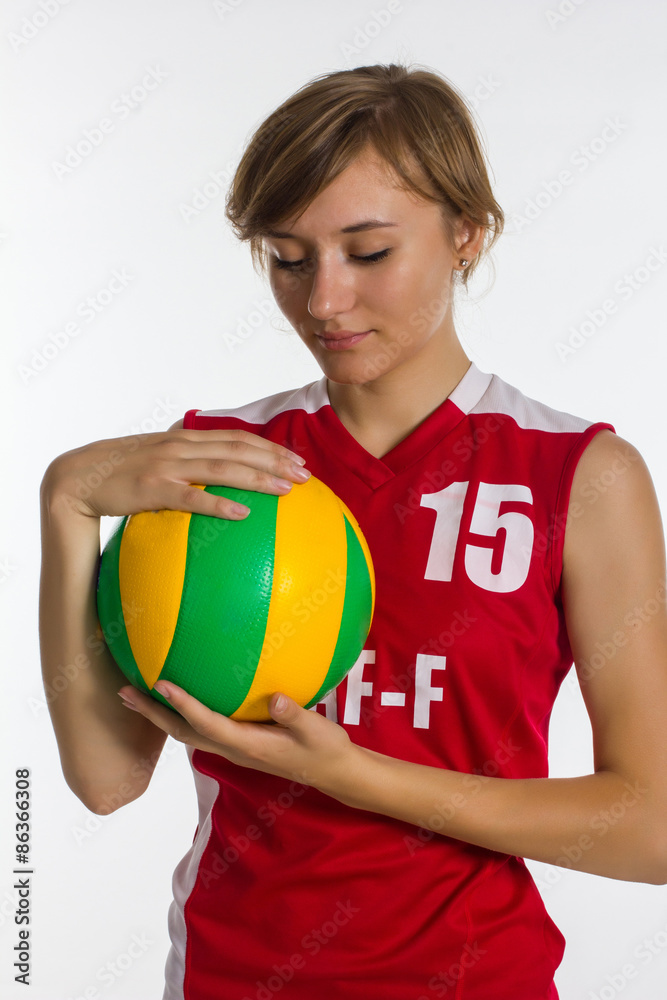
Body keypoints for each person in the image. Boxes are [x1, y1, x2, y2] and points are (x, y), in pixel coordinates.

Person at [39, 62, 667, 1000]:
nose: (322, 302)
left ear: (467, 232)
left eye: (367, 252)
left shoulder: (575, 474)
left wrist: (359, 778)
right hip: (230, 980)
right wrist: (66, 506)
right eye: (288, 258)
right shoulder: (218, 458)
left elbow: (649, 828)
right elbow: (105, 779)